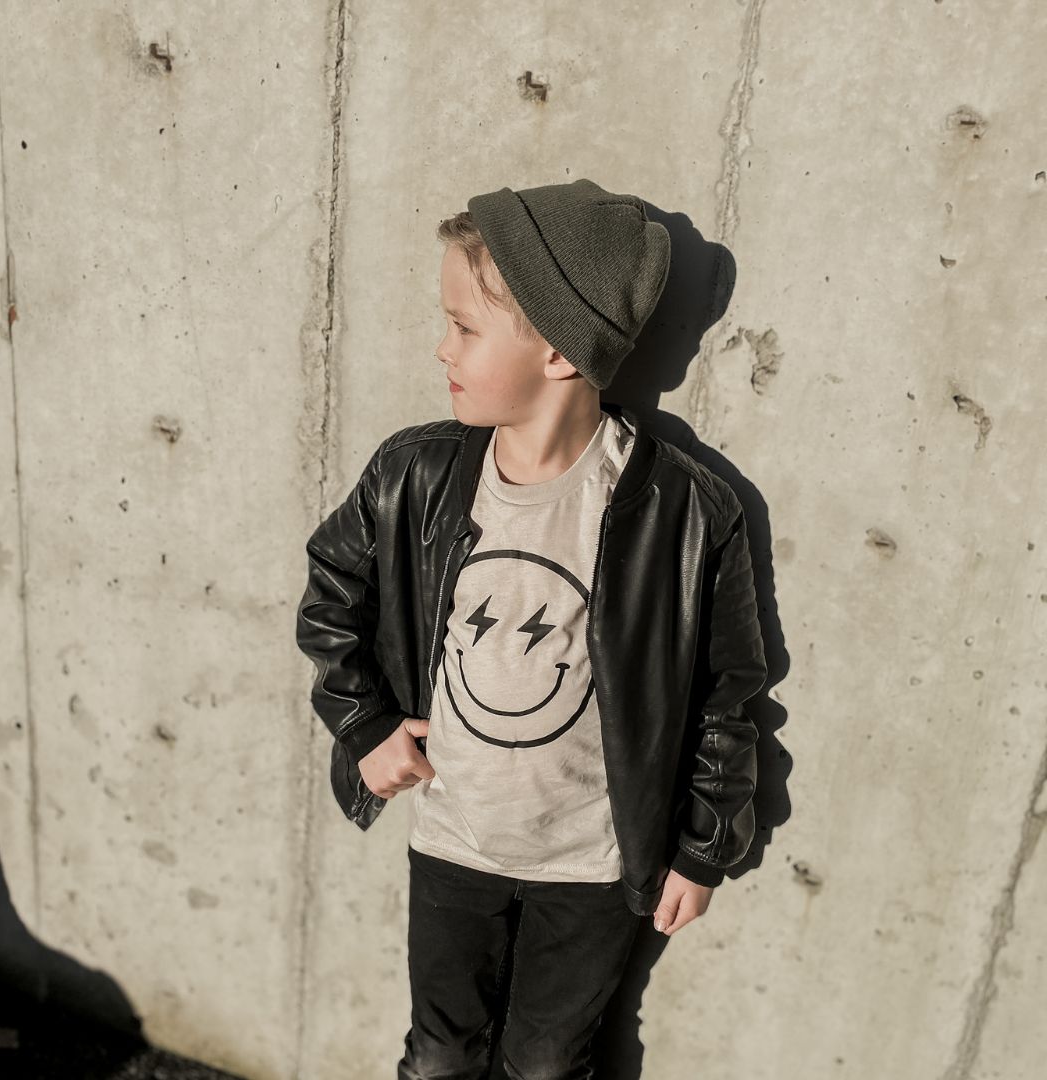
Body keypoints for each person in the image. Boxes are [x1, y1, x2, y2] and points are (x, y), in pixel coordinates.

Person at [295, 178, 768, 1080]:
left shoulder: (686, 513)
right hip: (453, 843)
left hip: (593, 865)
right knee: (438, 1055)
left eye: (466, 327)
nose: (443, 346)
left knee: (549, 1063)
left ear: (558, 349)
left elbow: (726, 692)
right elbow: (330, 600)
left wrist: (703, 848)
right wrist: (362, 726)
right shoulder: (417, 474)